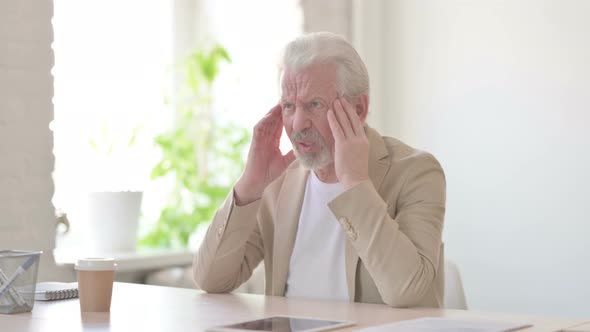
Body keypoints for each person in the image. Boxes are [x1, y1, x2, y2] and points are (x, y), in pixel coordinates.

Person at [193, 32, 446, 308]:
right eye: (289, 106)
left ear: (359, 108)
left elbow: (407, 292)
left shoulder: (416, 172)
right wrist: (249, 186)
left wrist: (355, 182)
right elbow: (211, 280)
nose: (298, 123)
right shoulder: (278, 182)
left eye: (314, 104)